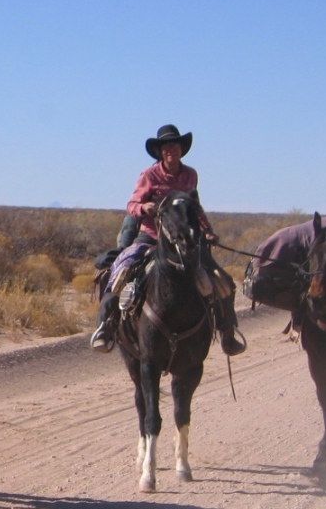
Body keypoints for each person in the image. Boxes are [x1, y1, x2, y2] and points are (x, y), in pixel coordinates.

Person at [90, 124, 246, 356]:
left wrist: (207, 229)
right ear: (160, 151)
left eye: (175, 144)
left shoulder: (190, 175)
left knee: (222, 280)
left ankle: (227, 333)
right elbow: (131, 205)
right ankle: (106, 326)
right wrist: (144, 207)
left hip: (183, 241)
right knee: (121, 272)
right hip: (151, 236)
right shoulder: (149, 175)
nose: (171, 149)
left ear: (182, 148)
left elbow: (195, 206)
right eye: (166, 146)